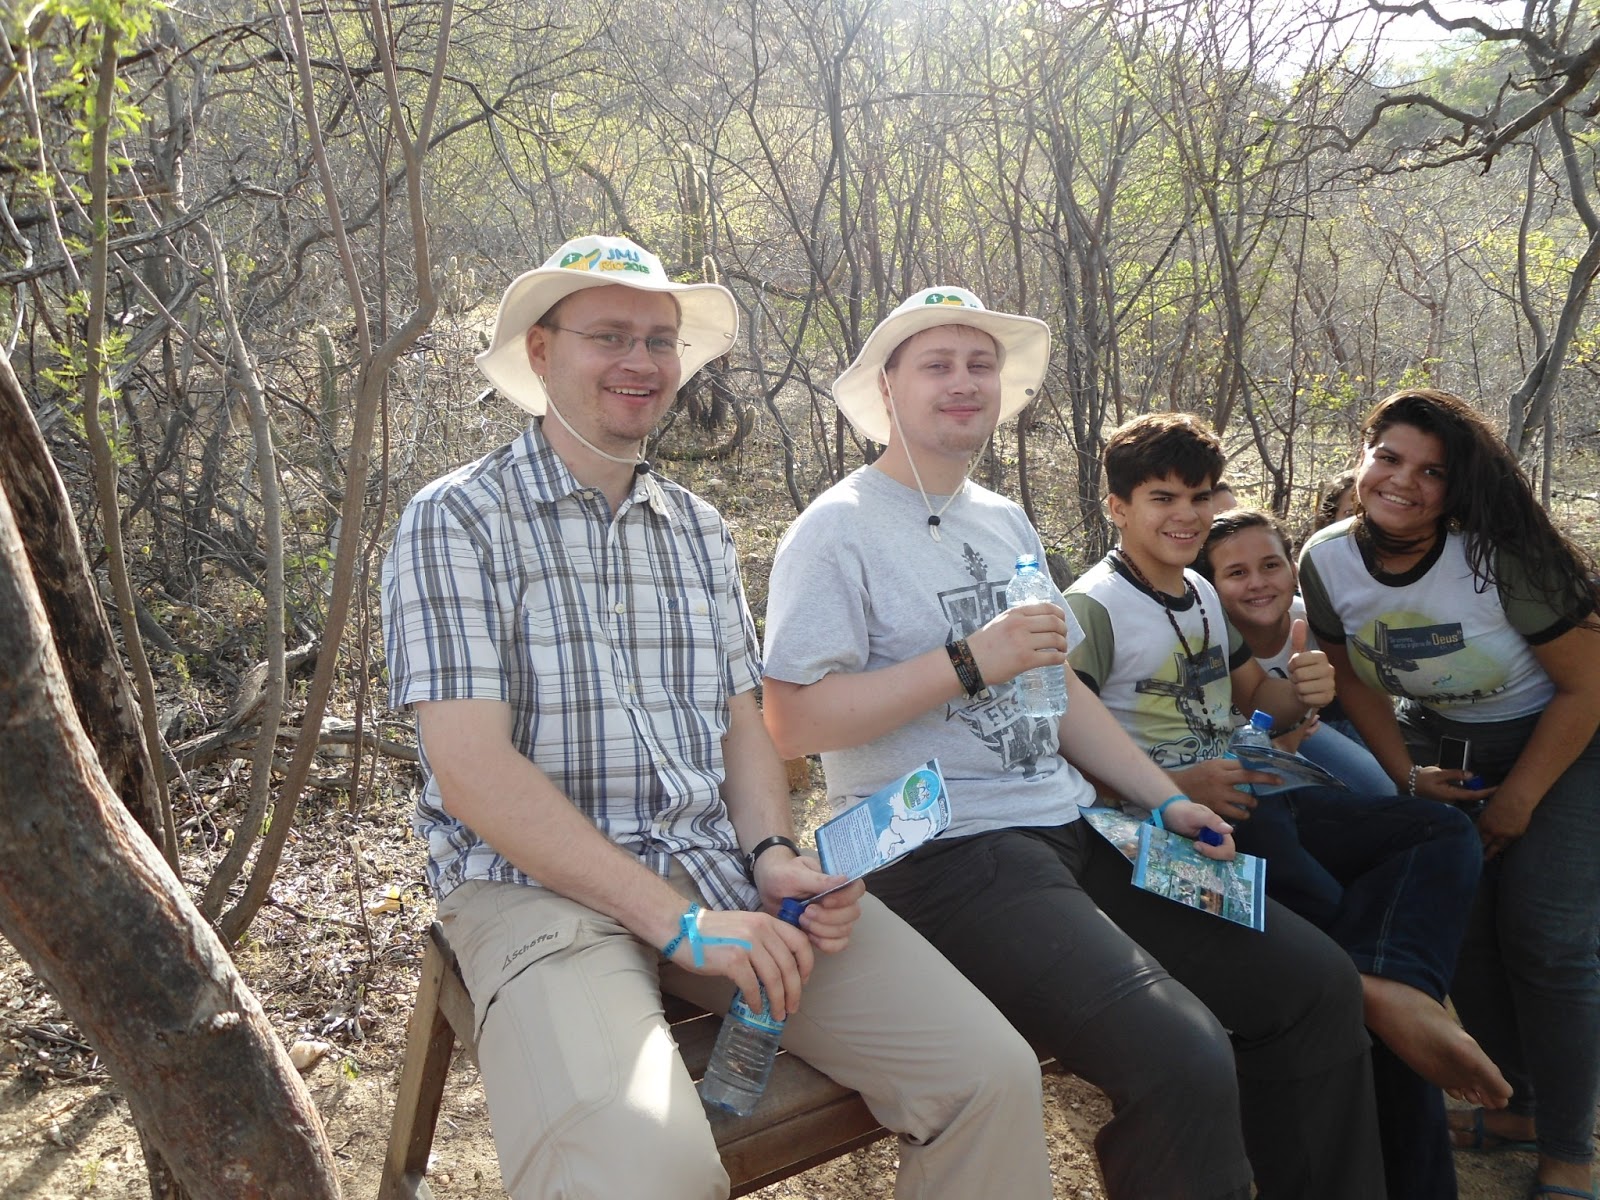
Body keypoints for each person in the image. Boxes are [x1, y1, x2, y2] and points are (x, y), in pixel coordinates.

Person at [380, 238, 1051, 1200]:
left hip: (716, 871)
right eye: (609, 336)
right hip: (532, 888)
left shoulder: (696, 528)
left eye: (660, 340)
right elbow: (472, 769)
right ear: (541, 350)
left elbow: (742, 723)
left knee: (987, 1077)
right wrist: (678, 924)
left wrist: (772, 850)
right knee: (643, 1171)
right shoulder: (456, 518)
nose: (642, 361)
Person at [761, 284, 1388, 1200]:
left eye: (981, 364)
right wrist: (969, 661)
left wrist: (1165, 799)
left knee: (1314, 984)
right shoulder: (836, 529)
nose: (964, 381)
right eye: (937, 364)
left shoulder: (1001, 517)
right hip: (943, 854)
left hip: (1076, 826)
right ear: (887, 386)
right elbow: (794, 718)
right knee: (1181, 1053)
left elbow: (1059, 693)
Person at [1063, 412, 1506, 1200]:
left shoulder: (1200, 591)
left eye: (1200, 496)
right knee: (1346, 974)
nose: (1187, 515)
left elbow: (1256, 699)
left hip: (1260, 798)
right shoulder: (1091, 609)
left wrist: (1304, 690)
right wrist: (1170, 788)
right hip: (1177, 839)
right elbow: (1056, 755)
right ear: (1116, 506)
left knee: (1434, 830)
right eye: (1163, 497)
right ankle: (1386, 1013)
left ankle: (1392, 989)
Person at [1298, 387, 1600, 1200]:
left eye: (1432, 471)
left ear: (1458, 486)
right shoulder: (1326, 559)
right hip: (1445, 746)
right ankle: (1517, 1107)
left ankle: (1570, 1148)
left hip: (1568, 743)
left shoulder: (1499, 557)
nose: (1403, 481)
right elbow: (1351, 678)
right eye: (1388, 457)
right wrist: (1406, 776)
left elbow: (1587, 686)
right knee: (1462, 930)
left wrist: (1520, 799)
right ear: (1362, 457)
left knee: (1546, 938)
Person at [1195, 508, 1393, 794]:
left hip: (1300, 732)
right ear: (1211, 585)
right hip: (1224, 749)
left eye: (1271, 565)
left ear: (1293, 569)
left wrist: (1297, 723)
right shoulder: (1202, 635)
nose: (1258, 583)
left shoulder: (1314, 620)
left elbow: (1331, 698)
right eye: (1237, 573)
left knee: (1382, 788)